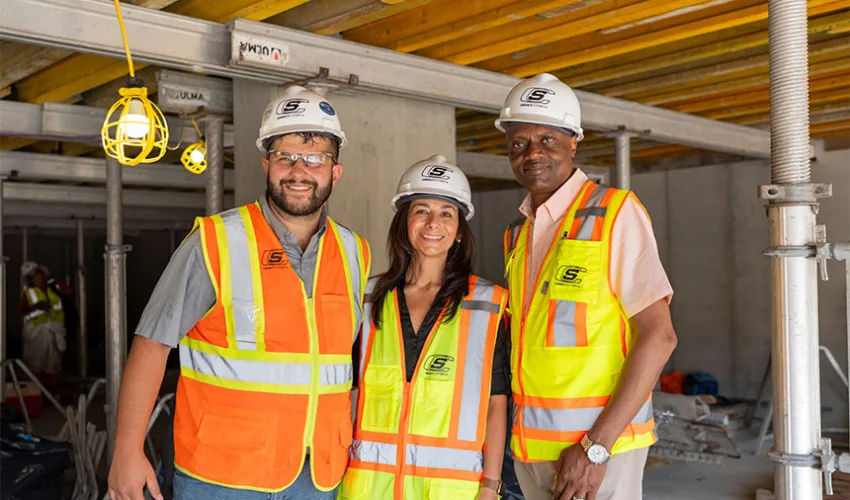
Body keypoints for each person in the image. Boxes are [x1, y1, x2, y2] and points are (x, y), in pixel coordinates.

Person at [107, 85, 371, 500]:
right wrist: (126, 450)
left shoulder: (355, 252)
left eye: (316, 158)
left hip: (319, 475)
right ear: (267, 164)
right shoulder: (214, 242)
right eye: (285, 156)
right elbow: (151, 344)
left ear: (335, 172)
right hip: (221, 476)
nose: (299, 170)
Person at [497, 73, 678, 500]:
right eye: (519, 142)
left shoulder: (615, 213)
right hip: (531, 449)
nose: (532, 153)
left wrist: (595, 448)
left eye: (547, 139)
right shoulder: (516, 235)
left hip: (596, 450)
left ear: (573, 141)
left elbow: (660, 336)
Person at [339, 155, 509, 500]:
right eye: (421, 210)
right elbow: (343, 392)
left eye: (446, 213)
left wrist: (491, 486)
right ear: (404, 221)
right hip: (368, 488)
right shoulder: (366, 298)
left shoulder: (488, 305)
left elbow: (496, 402)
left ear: (460, 229)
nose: (433, 223)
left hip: (451, 490)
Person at [19, 261, 67, 390]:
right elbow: (21, 310)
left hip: (54, 331)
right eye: (31, 277)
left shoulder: (53, 287)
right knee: (35, 363)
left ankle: (51, 392)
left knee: (53, 364)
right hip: (36, 332)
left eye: (37, 275)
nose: (36, 278)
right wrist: (36, 306)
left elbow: (68, 292)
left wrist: (54, 284)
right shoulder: (28, 292)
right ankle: (35, 392)